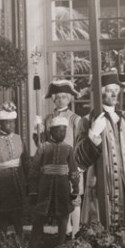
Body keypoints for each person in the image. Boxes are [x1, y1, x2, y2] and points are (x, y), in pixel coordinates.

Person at [74, 69, 125, 229]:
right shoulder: (87, 121)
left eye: (116, 90)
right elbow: (79, 161)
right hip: (101, 193)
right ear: (100, 93)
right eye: (109, 90)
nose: (114, 94)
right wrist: (93, 133)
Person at [29, 115, 80, 248]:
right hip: (45, 186)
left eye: (64, 131)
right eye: (58, 131)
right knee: (40, 215)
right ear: (51, 132)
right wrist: (33, 190)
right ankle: (34, 245)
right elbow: (34, 169)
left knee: (63, 216)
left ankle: (61, 245)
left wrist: (75, 188)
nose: (61, 134)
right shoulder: (43, 148)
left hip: (63, 186)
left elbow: (73, 170)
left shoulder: (69, 149)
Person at [0, 101, 29, 243]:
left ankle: (20, 240)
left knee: (18, 213)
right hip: (3, 183)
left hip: (18, 181)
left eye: (13, 123)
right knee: (3, 214)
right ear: (0, 124)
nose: (11, 126)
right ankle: (3, 241)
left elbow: (25, 160)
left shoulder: (18, 138)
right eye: (7, 123)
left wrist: (29, 181)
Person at [42, 79, 83, 239]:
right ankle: (65, 231)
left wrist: (79, 164)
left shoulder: (75, 119)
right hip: (55, 165)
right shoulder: (47, 119)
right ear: (53, 99)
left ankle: (76, 231)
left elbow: (80, 142)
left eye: (64, 97)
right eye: (57, 97)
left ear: (70, 99)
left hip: (72, 163)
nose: (60, 100)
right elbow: (44, 142)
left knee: (74, 198)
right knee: (61, 199)